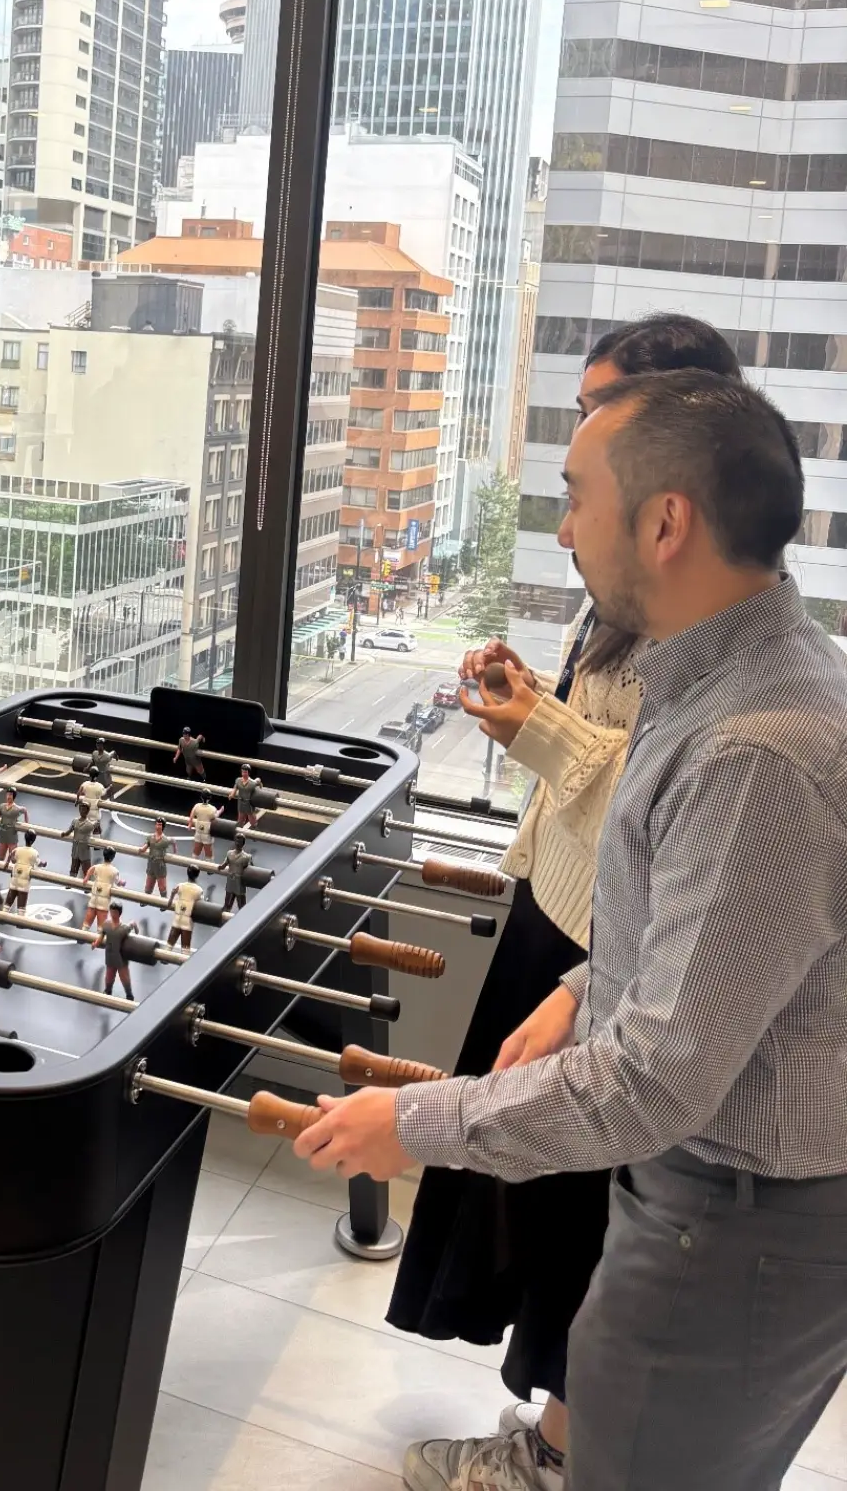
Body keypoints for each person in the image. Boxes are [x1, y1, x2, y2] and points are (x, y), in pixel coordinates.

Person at [294, 370, 847, 1491]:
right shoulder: (725, 677)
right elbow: (716, 932)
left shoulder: (756, 744)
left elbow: (658, 1080)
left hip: (734, 1216)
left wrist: (414, 1122)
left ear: (665, 519)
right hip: (719, 1201)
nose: (563, 531)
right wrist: (589, 984)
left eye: (574, 496)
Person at [386, 312, 742, 1483]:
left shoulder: (720, 632)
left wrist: (532, 725)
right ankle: (550, 1436)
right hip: (566, 920)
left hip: (612, 946)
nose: (573, 448)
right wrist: (539, 702)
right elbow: (615, 749)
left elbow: (648, 784)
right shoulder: (639, 578)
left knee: (583, 1220)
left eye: (598, 411)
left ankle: (555, 1456)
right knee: (540, 1218)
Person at [168, 867, 204, 951]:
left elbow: (170, 900)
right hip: (188, 920)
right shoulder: (199, 890)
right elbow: (201, 905)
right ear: (197, 875)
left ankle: (164, 957)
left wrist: (171, 899)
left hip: (178, 917)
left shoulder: (180, 886)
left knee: (169, 946)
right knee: (185, 949)